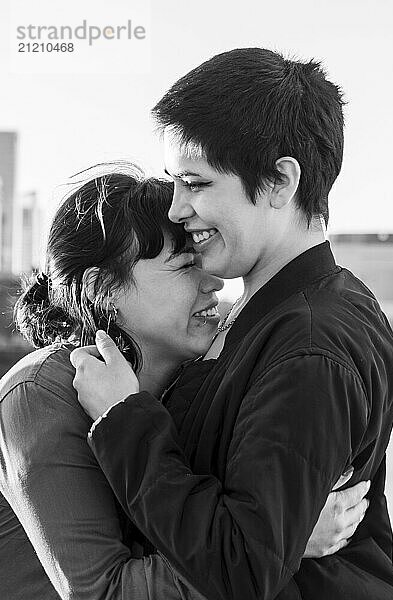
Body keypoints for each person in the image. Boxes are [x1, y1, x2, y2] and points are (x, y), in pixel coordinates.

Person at [72, 49, 393, 599]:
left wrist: (124, 422)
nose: (177, 209)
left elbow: (242, 568)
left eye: (196, 185)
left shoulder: (311, 346)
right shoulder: (264, 316)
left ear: (278, 182)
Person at [0, 165, 361, 600]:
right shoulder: (42, 394)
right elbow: (102, 593)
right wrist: (277, 544)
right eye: (187, 265)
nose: (214, 283)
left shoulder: (188, 388)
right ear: (105, 290)